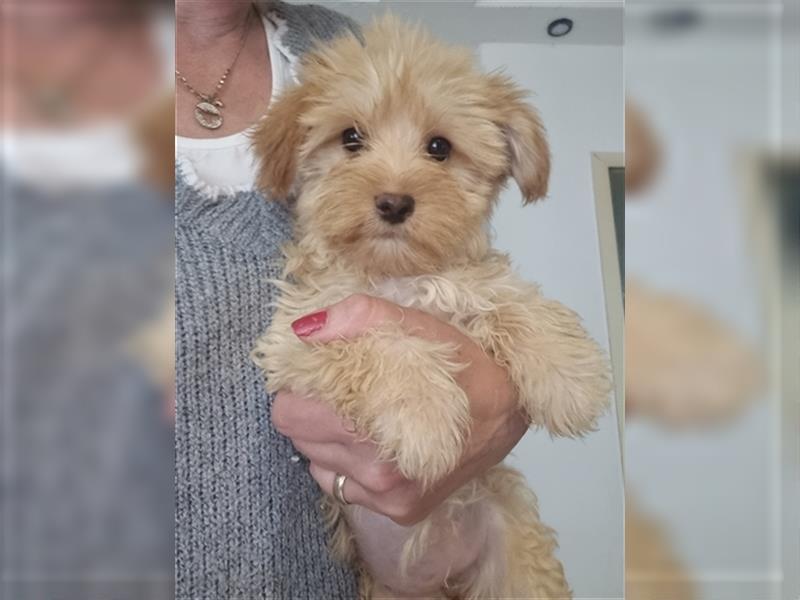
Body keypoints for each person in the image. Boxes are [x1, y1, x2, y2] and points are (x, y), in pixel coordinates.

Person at [175, 1, 528, 596]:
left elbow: (468, 289)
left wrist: (504, 404)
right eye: (354, 141)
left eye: (435, 150)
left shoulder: (349, 48)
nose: (393, 184)